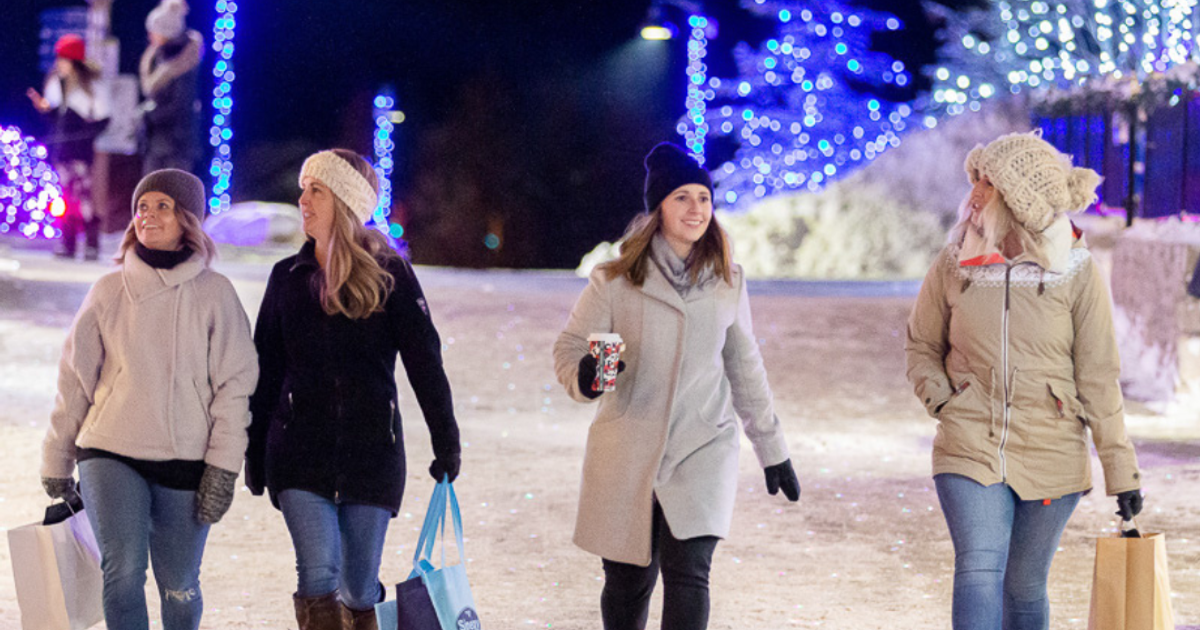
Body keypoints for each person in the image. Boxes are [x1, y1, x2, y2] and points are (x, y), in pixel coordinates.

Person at [553, 142, 801, 630]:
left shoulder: (728, 279)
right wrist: (585, 374)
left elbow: (745, 367)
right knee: (627, 582)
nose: (696, 209)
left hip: (702, 445)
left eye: (703, 198)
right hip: (627, 449)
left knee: (690, 577)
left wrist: (773, 449)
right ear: (657, 209)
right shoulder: (614, 280)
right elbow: (570, 347)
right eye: (682, 198)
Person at [905, 130, 1144, 630]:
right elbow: (923, 344)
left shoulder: (1076, 271)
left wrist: (1122, 473)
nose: (973, 193)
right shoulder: (954, 264)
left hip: (1052, 448)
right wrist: (945, 401)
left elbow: (1099, 377)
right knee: (977, 569)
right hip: (969, 440)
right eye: (975, 180)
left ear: (1017, 199)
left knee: (1024, 587)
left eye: (987, 184)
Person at [246, 149, 461, 630]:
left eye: (315, 190)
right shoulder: (286, 277)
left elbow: (425, 363)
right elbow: (265, 369)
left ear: (344, 201)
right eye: (303, 189)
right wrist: (254, 449)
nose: (302, 200)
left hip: (372, 456)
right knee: (318, 573)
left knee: (359, 588)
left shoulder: (391, 276)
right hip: (298, 452)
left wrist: (446, 441)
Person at [40, 169, 258, 630]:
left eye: (162, 206)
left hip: (186, 459)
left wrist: (222, 467)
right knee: (121, 574)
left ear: (188, 220)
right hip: (109, 450)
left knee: (180, 587)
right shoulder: (108, 291)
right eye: (142, 207)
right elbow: (75, 380)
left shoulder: (216, 295)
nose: (148, 215)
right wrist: (57, 459)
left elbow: (234, 388)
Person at [26, 34, 110, 260]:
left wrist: (85, 134)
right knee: (64, 198)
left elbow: (103, 119)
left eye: (63, 59)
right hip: (62, 151)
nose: (59, 64)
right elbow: (56, 119)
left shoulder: (92, 88)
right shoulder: (56, 84)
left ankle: (92, 244)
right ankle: (68, 243)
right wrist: (45, 109)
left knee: (83, 197)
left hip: (81, 152)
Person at [139, 0, 203, 175]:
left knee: (174, 193)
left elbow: (181, 103)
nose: (150, 35)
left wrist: (149, 115)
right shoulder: (157, 58)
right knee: (153, 190)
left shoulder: (184, 63)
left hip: (176, 143)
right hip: (157, 142)